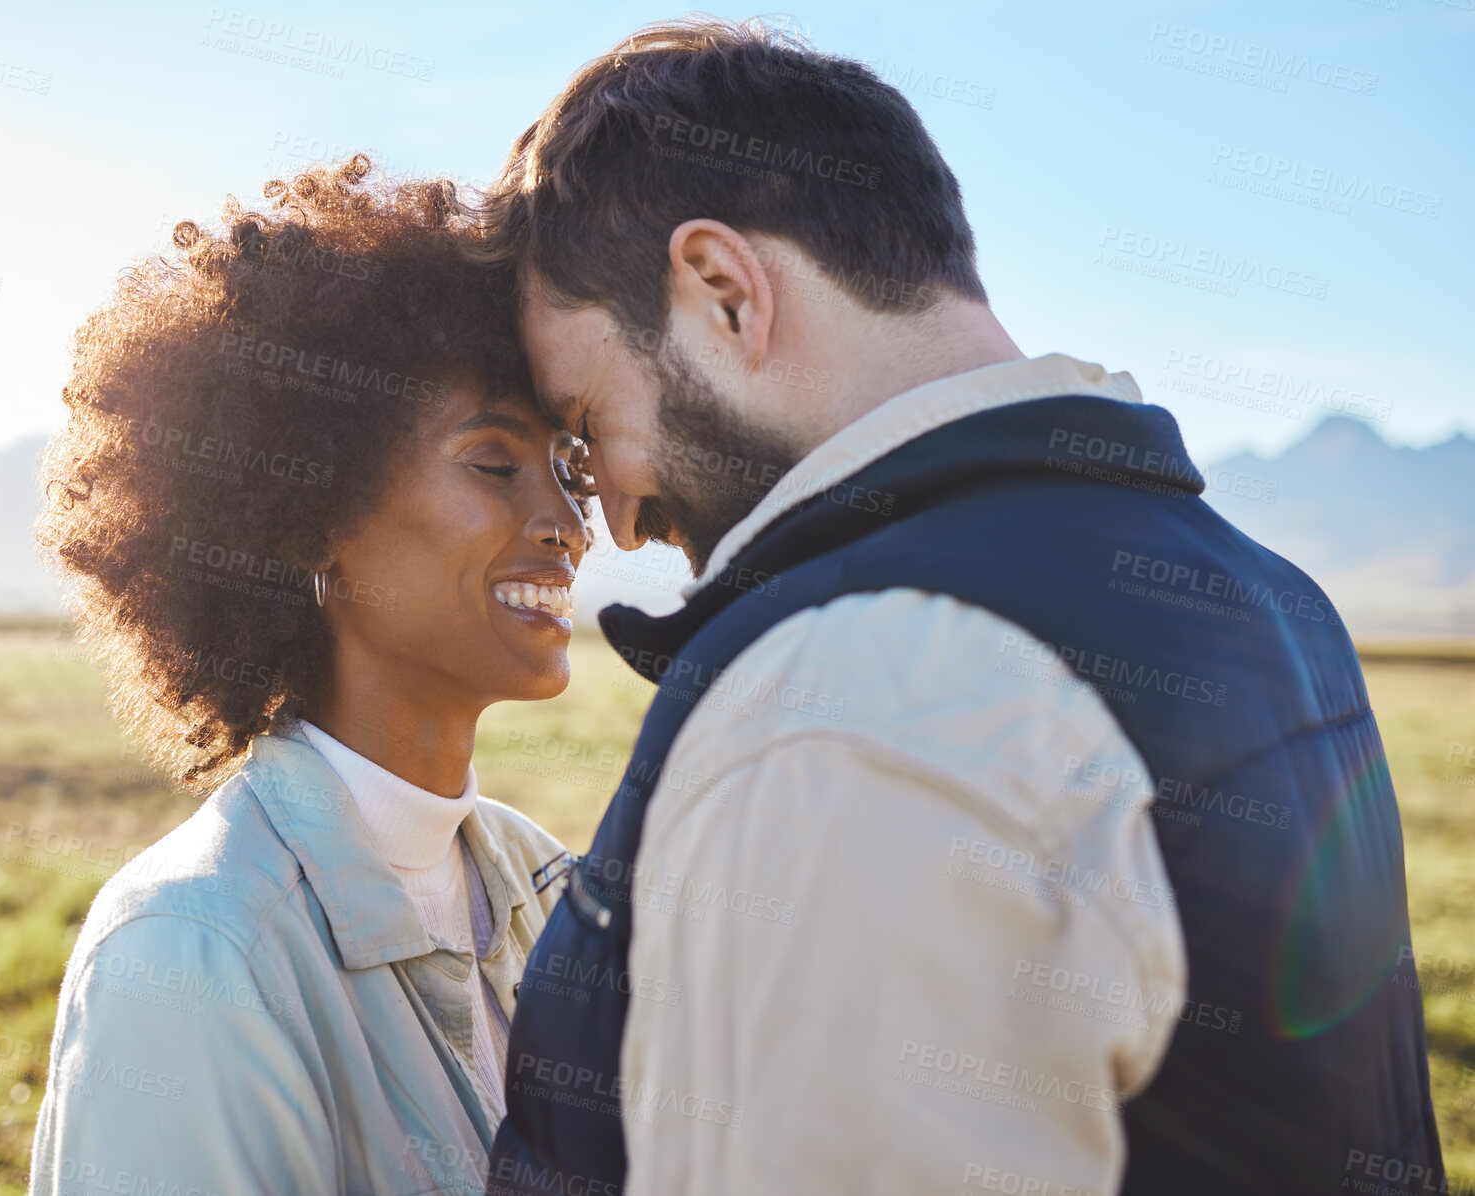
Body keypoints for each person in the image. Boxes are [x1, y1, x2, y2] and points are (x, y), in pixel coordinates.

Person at [477, 18, 1443, 1196]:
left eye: (586, 428)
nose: (616, 522)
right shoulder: (1275, 600)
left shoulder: (855, 694)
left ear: (725, 291)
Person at [28, 159, 591, 1195]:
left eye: (571, 466)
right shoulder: (195, 950)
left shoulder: (542, 879)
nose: (566, 524)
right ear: (310, 522)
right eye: (494, 462)